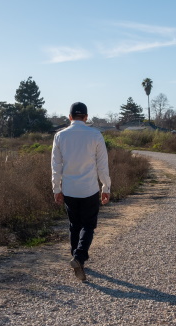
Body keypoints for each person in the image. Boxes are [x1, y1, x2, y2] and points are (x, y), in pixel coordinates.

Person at [51, 102, 111, 282]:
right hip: (90, 188)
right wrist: (106, 187)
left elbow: (56, 166)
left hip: (69, 189)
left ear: (69, 117)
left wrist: (56, 188)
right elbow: (102, 165)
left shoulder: (60, 136)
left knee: (74, 225)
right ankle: (78, 258)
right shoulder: (95, 135)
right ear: (86, 117)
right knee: (88, 225)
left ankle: (78, 260)